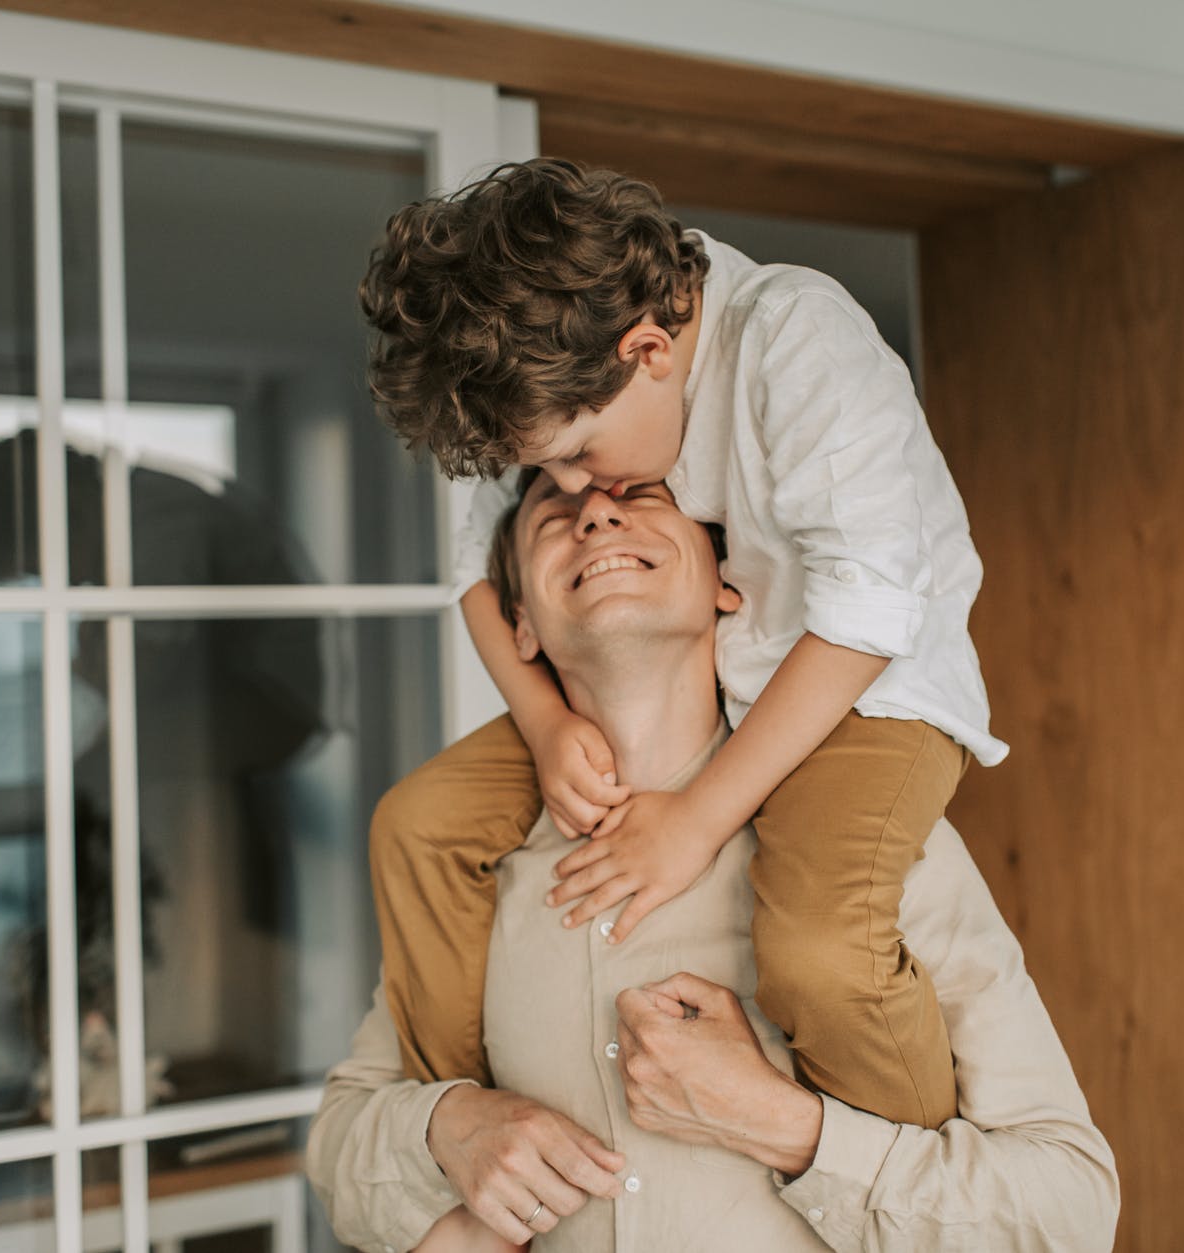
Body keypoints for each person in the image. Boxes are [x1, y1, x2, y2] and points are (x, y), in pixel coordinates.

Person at [360, 159, 1007, 1129]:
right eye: (543, 471)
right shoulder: (556, 377)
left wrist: (697, 817)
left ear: (648, 350)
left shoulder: (797, 340)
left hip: (866, 694)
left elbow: (872, 612)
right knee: (418, 825)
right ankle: (474, 1130)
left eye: (575, 455)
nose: (574, 492)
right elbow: (469, 571)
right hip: (703, 680)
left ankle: (886, 1187)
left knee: (821, 949)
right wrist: (540, 722)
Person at [307, 475, 1116, 1250]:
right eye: (554, 511)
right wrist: (451, 1128)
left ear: (729, 584)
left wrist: (776, 1120)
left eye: (643, 496)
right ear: (520, 625)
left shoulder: (868, 851)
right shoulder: (473, 877)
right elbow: (339, 1143)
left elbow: (1072, 1208)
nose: (594, 514)